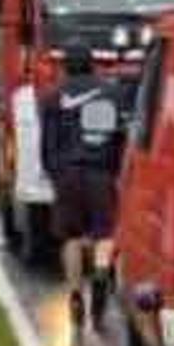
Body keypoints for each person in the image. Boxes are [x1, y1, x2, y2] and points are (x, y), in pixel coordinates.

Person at [41, 45, 126, 326]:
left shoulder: (54, 98)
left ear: (64, 67)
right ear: (92, 65)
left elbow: (48, 145)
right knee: (105, 234)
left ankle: (76, 293)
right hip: (101, 173)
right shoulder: (111, 94)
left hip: (67, 174)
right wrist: (115, 171)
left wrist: (55, 174)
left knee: (71, 237)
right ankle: (101, 272)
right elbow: (117, 137)